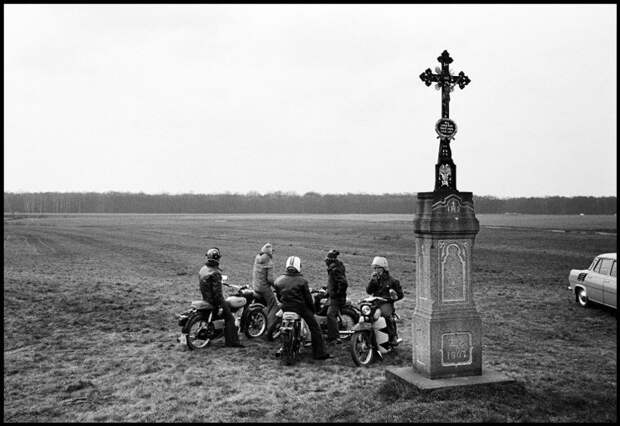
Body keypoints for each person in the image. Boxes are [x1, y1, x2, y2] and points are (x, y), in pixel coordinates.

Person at [274, 256, 331, 360]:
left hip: (285, 307)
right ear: (298, 266)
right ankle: (319, 353)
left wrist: (284, 304)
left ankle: (283, 345)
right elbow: (308, 299)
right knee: (315, 328)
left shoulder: (278, 281)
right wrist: (313, 310)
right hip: (300, 308)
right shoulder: (302, 281)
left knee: (278, 323)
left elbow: (279, 297)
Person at [199, 247, 243, 348]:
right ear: (217, 259)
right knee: (230, 318)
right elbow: (217, 293)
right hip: (214, 301)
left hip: (205, 298)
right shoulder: (215, 273)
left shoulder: (203, 269)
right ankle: (232, 342)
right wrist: (220, 306)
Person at [366, 256, 404, 346]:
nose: (375, 270)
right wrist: (372, 281)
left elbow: (400, 295)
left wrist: (392, 297)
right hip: (376, 302)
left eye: (377, 267)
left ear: (383, 268)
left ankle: (392, 337)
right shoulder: (375, 280)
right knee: (366, 314)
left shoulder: (393, 281)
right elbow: (368, 291)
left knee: (386, 316)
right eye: (374, 268)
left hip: (387, 304)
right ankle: (367, 336)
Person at [251, 242, 278, 339]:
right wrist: (277, 287)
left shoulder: (257, 258)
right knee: (273, 305)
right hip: (263, 287)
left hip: (255, 285)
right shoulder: (269, 262)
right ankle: (269, 327)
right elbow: (270, 279)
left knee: (259, 303)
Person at [324, 249, 348, 345]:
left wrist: (336, 294)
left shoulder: (335, 269)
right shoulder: (333, 268)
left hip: (337, 298)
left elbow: (343, 283)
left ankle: (334, 338)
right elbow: (333, 282)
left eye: (327, 259)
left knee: (330, 314)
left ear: (330, 260)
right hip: (333, 295)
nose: (325, 260)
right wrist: (327, 290)